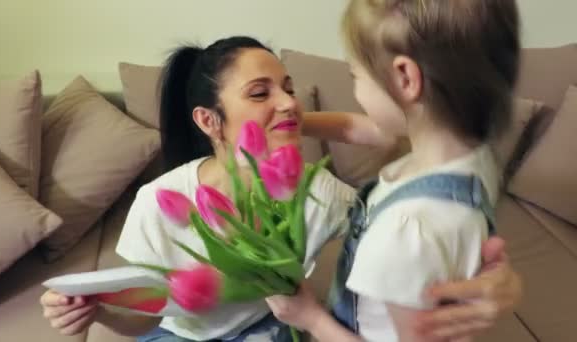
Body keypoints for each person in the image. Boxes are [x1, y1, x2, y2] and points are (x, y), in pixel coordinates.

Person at [40, 36, 521, 342]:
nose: (288, 100)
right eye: (260, 92)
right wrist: (95, 314)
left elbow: (404, 209)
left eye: (288, 88)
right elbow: (145, 319)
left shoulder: (321, 194)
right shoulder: (161, 202)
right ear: (208, 120)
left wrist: (487, 280)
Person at [266, 1, 522, 341]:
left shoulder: (404, 230)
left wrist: (311, 318)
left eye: (354, 76)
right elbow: (358, 129)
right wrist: (291, 123)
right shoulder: (474, 155)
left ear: (405, 77)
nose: (355, 89)